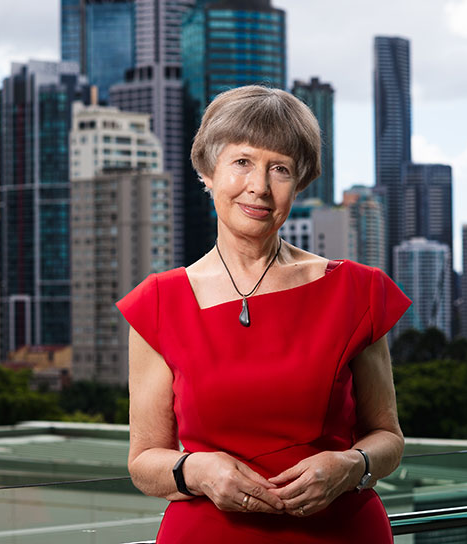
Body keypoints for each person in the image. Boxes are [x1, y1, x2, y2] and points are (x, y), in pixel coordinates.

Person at [117, 85, 411, 543]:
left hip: (342, 532)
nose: (259, 185)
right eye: (242, 162)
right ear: (208, 172)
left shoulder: (357, 290)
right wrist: (197, 469)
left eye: (280, 169)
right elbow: (144, 462)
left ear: (299, 183)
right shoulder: (158, 303)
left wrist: (352, 464)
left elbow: (388, 438)